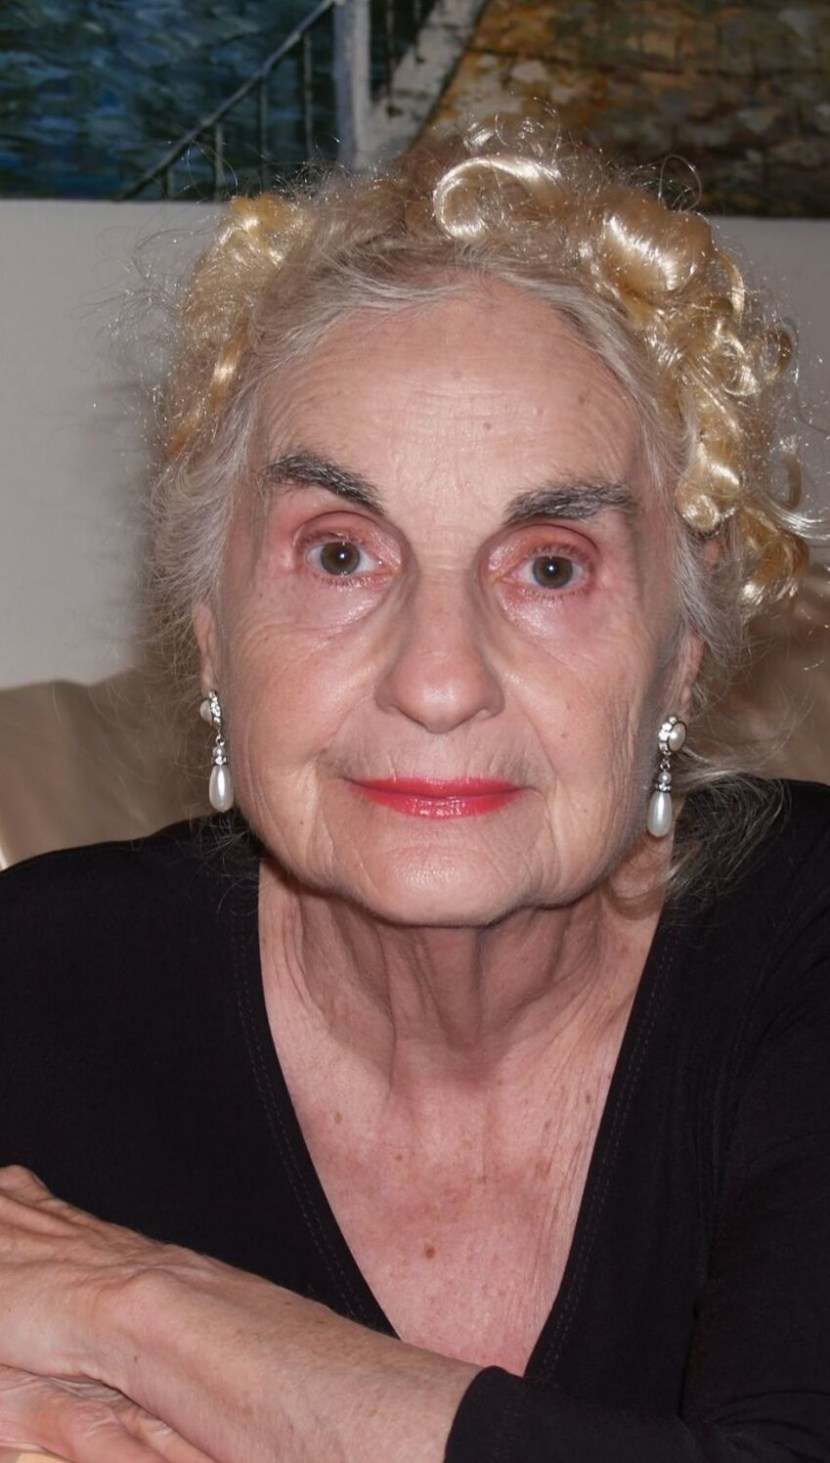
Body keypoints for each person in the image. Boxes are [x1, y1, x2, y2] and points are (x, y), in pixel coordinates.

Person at [0, 113, 827, 1463]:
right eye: (340, 555)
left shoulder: (802, 949)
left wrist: (133, 1310)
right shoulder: (35, 981)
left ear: (680, 655)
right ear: (210, 637)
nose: (438, 682)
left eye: (549, 566)